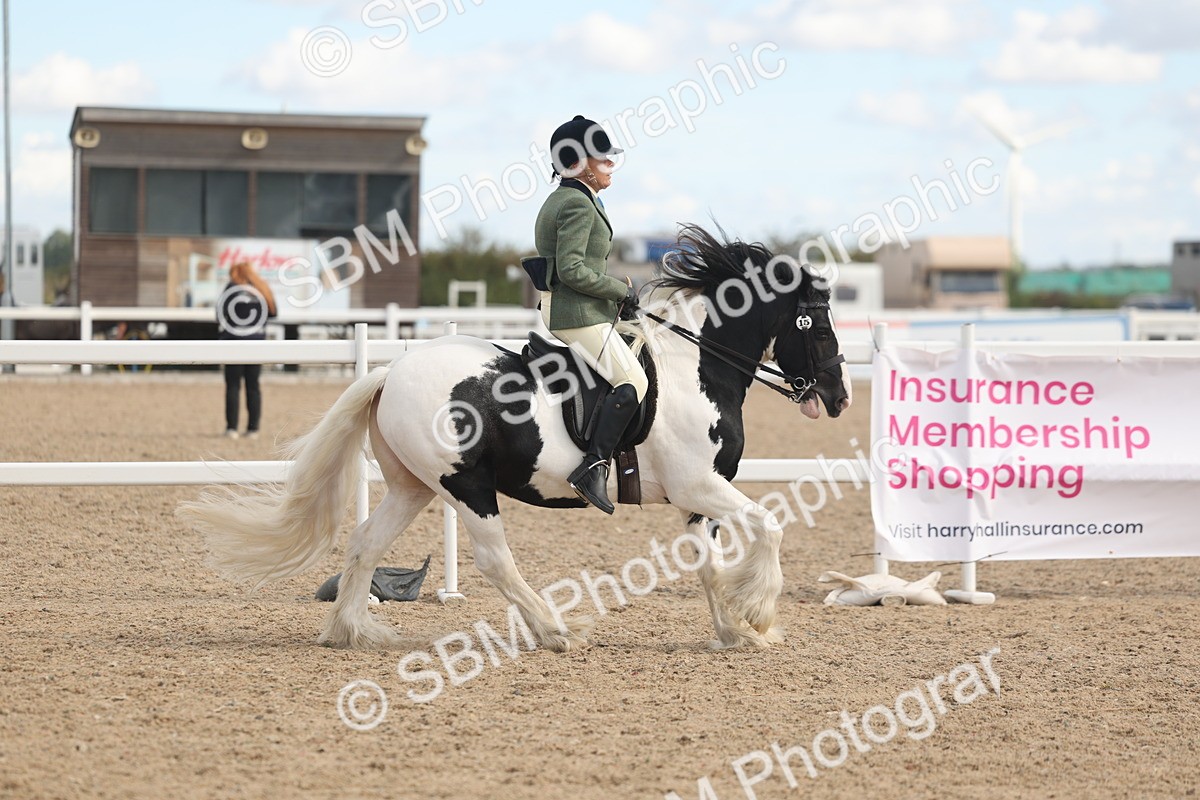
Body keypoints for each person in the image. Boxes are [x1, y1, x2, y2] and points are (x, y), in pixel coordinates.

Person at [534, 115, 647, 514]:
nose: (611, 164)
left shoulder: (575, 199)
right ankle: (593, 465)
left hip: (581, 307)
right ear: (578, 162)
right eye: (603, 159)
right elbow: (572, 270)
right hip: (577, 313)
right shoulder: (577, 205)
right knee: (633, 379)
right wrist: (619, 289)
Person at [217, 261, 276, 439]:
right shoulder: (261, 288)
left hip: (234, 342)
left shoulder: (231, 287)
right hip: (256, 342)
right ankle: (253, 429)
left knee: (233, 385)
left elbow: (219, 313)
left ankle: (232, 428)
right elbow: (273, 313)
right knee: (253, 386)